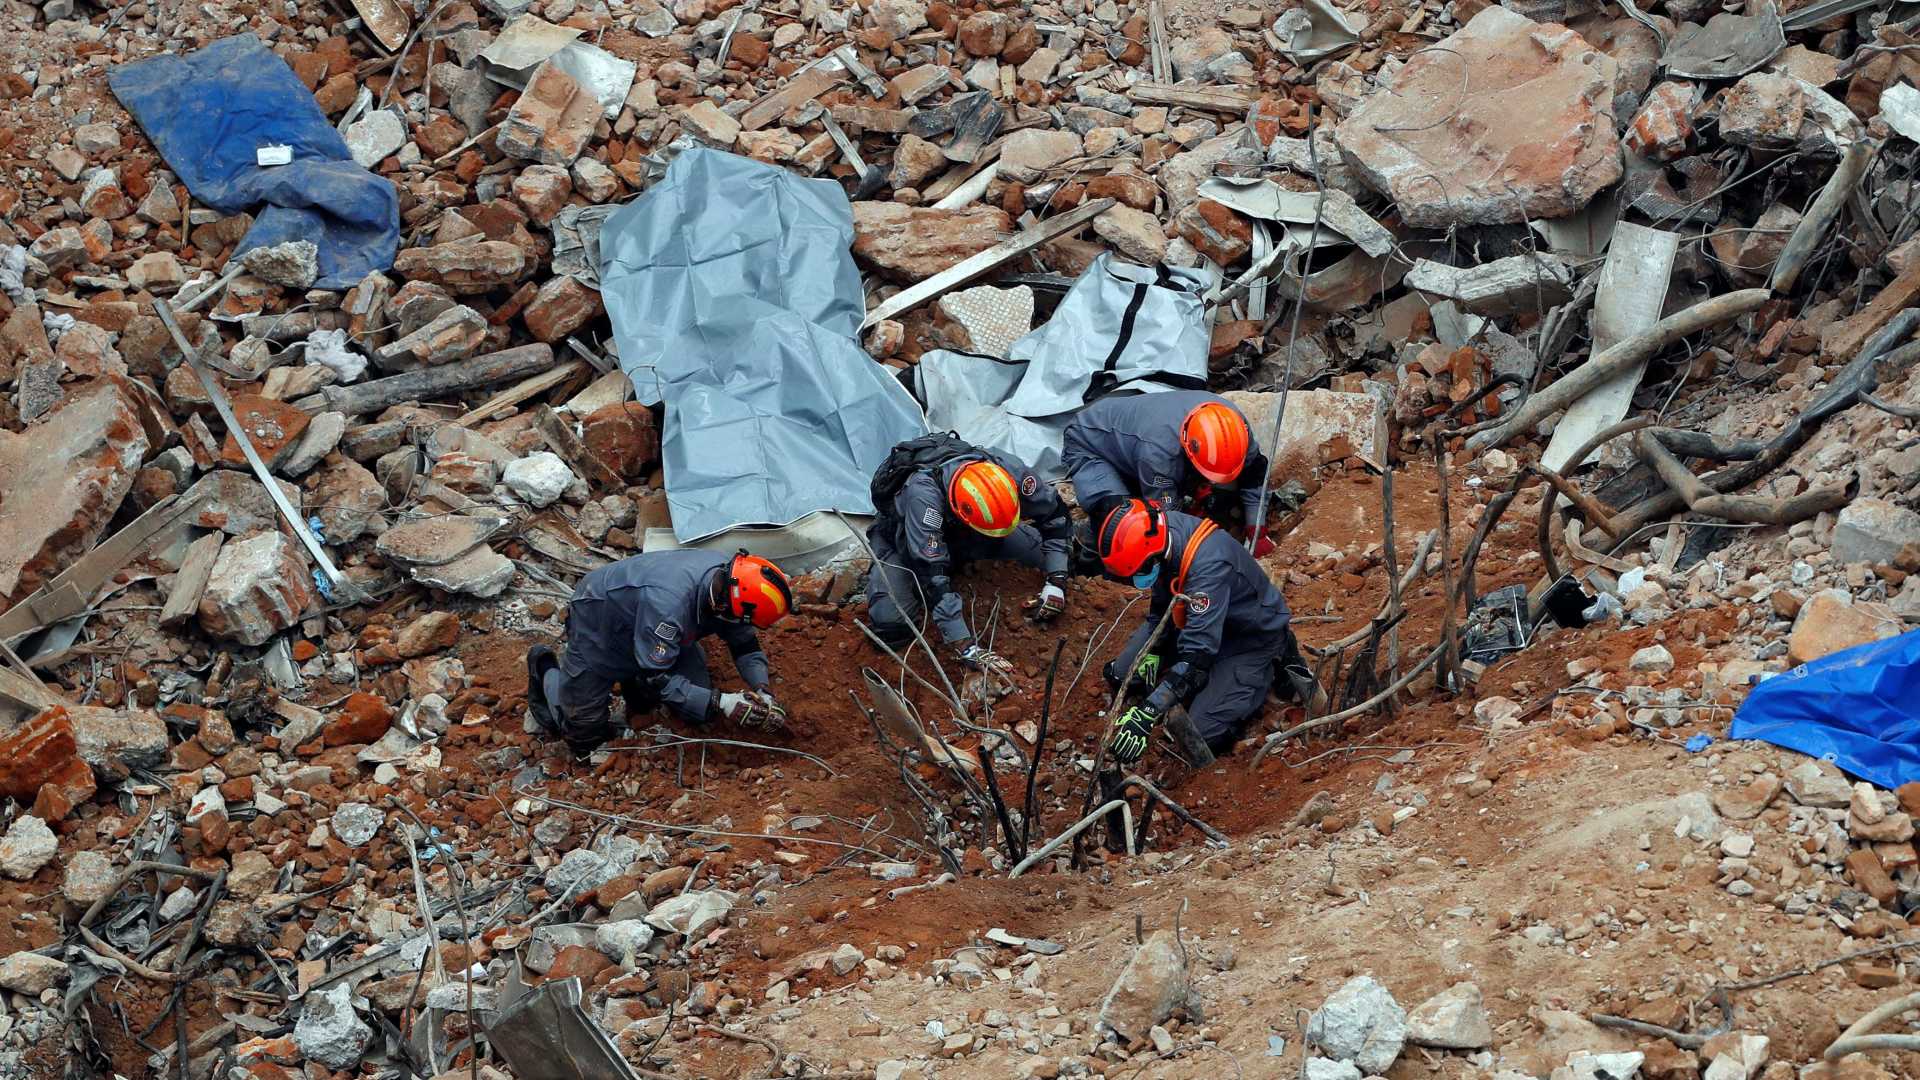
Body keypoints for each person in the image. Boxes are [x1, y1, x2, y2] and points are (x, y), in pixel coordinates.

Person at [1094, 498, 1324, 763]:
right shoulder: (1162, 533)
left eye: (1140, 570)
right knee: (1121, 674)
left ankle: (1271, 665)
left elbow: (1197, 659)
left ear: (1153, 553)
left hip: (1248, 637)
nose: (1136, 579)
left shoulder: (1209, 569)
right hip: (1201, 621)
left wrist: (1149, 711)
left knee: (1199, 734)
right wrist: (1155, 650)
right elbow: (1161, 606)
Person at [526, 550, 793, 755]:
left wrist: (762, 690)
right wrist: (722, 701)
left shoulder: (733, 581)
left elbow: (745, 643)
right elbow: (657, 677)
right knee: (584, 735)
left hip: (649, 622)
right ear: (725, 606)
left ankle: (634, 684)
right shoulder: (669, 607)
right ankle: (545, 669)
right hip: (601, 621)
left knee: (696, 710)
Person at [865, 433, 1073, 676]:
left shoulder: (1010, 470)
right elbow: (931, 575)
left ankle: (982, 545)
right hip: (905, 541)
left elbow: (1055, 516)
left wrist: (1057, 580)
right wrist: (964, 645)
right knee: (890, 621)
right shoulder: (923, 499)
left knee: (1044, 560)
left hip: (973, 534)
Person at [1060, 390, 1279, 555]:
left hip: (1137, 446)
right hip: (1090, 444)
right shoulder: (1159, 454)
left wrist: (1256, 528)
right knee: (1122, 520)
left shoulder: (1235, 427)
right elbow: (1169, 521)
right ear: (1188, 448)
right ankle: (1085, 547)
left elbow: (1254, 474)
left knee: (1222, 497)